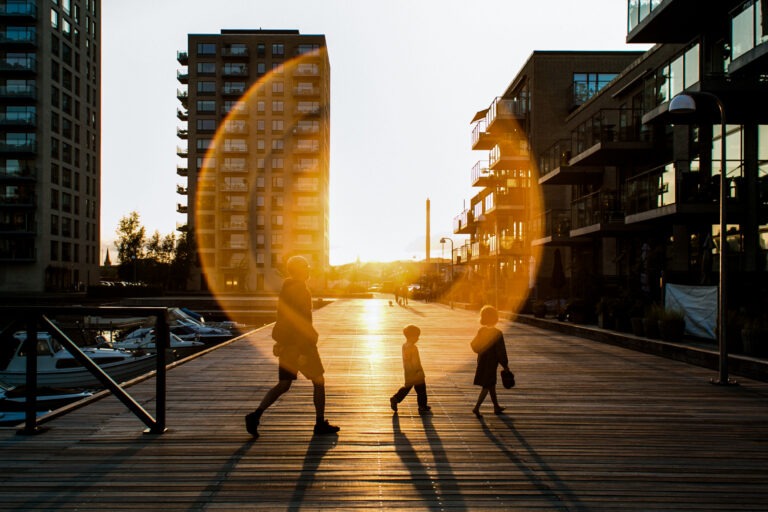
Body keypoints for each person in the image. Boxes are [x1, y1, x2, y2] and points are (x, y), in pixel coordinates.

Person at [245, 255, 339, 437]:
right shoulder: (301, 290)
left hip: (288, 344)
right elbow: (300, 321)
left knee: (284, 384)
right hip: (301, 345)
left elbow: (283, 318)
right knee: (319, 381)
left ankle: (255, 416)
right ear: (300, 270)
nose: (309, 269)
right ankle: (320, 424)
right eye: (306, 267)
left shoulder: (286, 289)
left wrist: (281, 342)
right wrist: (304, 350)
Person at [470, 305, 510, 416]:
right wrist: (505, 365)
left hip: (482, 361)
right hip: (491, 363)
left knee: (491, 384)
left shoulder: (481, 331)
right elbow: (501, 352)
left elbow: (473, 345)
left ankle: (496, 407)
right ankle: (476, 407)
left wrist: (481, 350)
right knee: (487, 385)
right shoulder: (497, 333)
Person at [389, 324, 430, 413]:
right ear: (412, 337)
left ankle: (395, 398)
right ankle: (422, 406)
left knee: (407, 388)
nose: (418, 338)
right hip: (416, 373)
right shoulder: (413, 348)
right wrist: (418, 371)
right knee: (421, 391)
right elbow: (415, 361)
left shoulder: (404, 346)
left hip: (408, 371)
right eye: (416, 336)